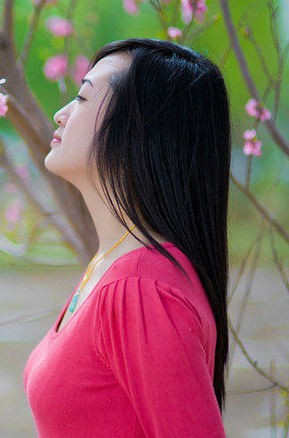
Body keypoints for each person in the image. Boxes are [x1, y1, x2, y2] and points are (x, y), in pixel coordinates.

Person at [24, 38, 229, 437]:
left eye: (82, 98)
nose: (61, 114)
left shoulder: (141, 289)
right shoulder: (113, 264)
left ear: (138, 128)